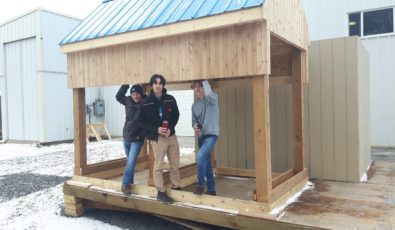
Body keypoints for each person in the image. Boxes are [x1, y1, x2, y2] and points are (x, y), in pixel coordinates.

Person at [139, 74, 181, 203]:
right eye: (155, 83)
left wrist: (170, 128)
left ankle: (176, 187)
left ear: (163, 85)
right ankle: (160, 192)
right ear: (152, 85)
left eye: (160, 83)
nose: (158, 85)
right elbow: (141, 122)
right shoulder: (145, 102)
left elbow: (176, 115)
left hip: (171, 135)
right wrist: (156, 129)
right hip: (158, 138)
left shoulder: (170, 99)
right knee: (158, 165)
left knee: (175, 163)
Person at [116, 84, 146, 195]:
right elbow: (118, 96)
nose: (135, 96)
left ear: (141, 94)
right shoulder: (128, 101)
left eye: (137, 94)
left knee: (131, 161)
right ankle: (130, 184)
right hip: (127, 137)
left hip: (137, 139)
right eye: (133, 94)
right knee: (130, 163)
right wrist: (125, 85)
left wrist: (142, 135)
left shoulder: (145, 103)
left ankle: (125, 184)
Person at [191, 80, 219, 195]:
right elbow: (194, 121)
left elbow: (209, 93)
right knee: (206, 162)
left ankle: (200, 185)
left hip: (212, 134)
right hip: (201, 136)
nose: (197, 89)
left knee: (200, 156)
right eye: (195, 87)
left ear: (206, 87)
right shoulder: (195, 105)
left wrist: (205, 81)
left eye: (200, 86)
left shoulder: (212, 98)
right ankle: (212, 189)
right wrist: (195, 126)